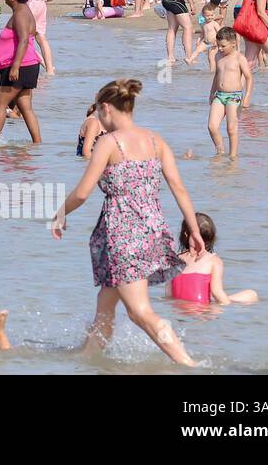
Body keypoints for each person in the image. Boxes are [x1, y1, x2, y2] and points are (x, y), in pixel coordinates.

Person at [50, 78, 204, 366]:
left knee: (139, 311)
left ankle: (188, 365)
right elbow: (178, 188)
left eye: (98, 112)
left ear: (107, 107)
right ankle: (87, 360)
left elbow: (82, 192)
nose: (97, 118)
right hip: (152, 232)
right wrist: (193, 230)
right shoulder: (156, 141)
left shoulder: (109, 143)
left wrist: (59, 214)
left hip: (122, 235)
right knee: (105, 308)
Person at [0, 0, 42, 146]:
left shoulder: (20, 13)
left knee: (0, 102)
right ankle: (37, 144)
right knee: (25, 107)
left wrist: (15, 66)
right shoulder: (23, 11)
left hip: (20, 66)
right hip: (27, 65)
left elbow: (24, 40)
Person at [168, 213, 258, 306]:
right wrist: (228, 306)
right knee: (252, 294)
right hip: (202, 312)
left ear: (185, 234)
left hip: (179, 310)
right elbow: (217, 292)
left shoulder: (173, 260)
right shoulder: (213, 260)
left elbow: (169, 294)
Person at [207, 28, 251, 157]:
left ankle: (232, 157)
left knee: (231, 129)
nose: (220, 48)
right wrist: (211, 92)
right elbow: (217, 75)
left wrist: (247, 97)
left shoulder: (239, 58)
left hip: (234, 96)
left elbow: (249, 77)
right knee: (212, 126)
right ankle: (220, 151)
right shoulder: (218, 56)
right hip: (219, 96)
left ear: (233, 43)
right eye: (218, 45)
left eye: (223, 46)